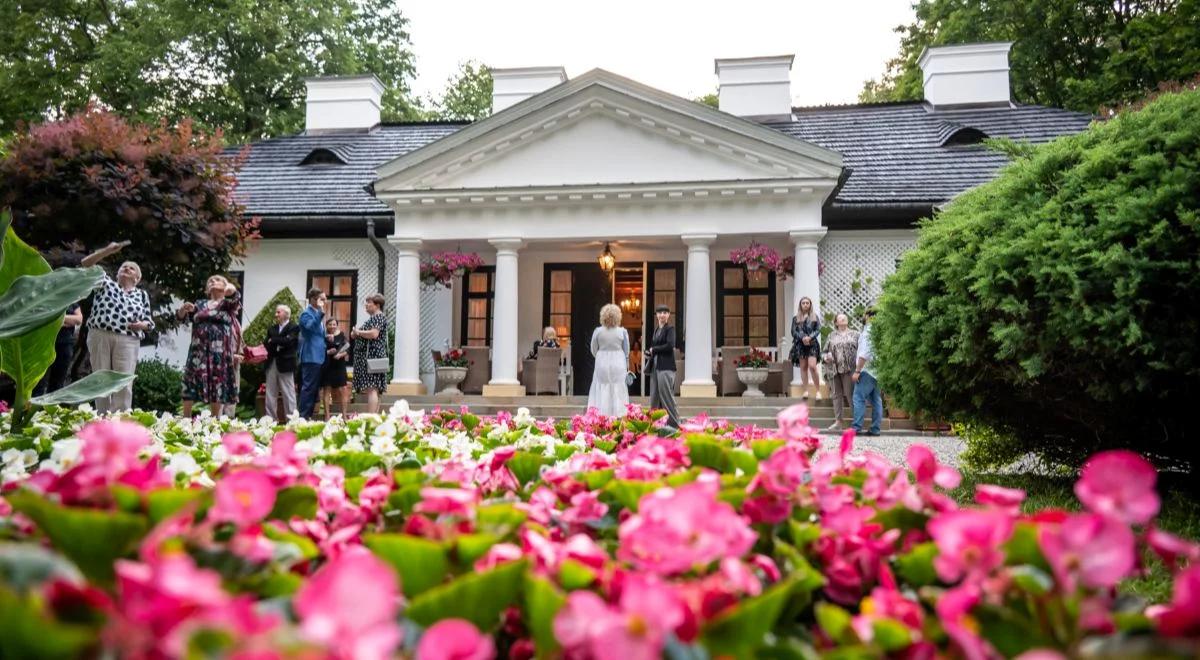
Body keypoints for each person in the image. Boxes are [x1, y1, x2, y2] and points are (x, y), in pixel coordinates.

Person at [81, 241, 153, 413]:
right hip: (100, 334)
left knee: (123, 382)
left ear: (137, 278)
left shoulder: (142, 295)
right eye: (123, 267)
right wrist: (106, 251)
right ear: (117, 273)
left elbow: (149, 322)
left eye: (131, 268)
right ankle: (102, 418)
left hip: (128, 339)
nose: (127, 268)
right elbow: (86, 264)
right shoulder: (106, 283)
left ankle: (120, 421)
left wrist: (142, 325)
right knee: (101, 379)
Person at [178, 275, 241, 417]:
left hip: (219, 352)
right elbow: (182, 318)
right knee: (190, 382)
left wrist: (227, 288)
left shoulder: (228, 304)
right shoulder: (200, 304)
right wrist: (183, 310)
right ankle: (185, 419)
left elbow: (234, 295)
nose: (212, 282)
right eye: (210, 281)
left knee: (217, 383)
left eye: (217, 280)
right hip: (197, 351)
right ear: (207, 289)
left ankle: (215, 421)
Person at [587, 304, 630, 417]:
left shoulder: (598, 331)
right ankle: (619, 414)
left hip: (602, 362)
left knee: (601, 387)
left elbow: (593, 349)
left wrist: (600, 355)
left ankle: (601, 415)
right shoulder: (622, 332)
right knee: (618, 387)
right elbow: (626, 351)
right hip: (618, 362)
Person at [33, 303, 83, 396]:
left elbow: (79, 319)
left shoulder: (72, 298)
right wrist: (68, 320)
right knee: (39, 383)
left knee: (58, 383)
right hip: (45, 344)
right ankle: (35, 409)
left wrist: (57, 319)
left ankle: (52, 408)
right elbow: (42, 318)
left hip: (65, 345)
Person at [644, 304, 681, 429]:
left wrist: (654, 349)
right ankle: (655, 425)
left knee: (667, 397)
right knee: (654, 396)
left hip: (666, 367)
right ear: (656, 315)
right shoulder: (656, 330)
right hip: (655, 367)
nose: (662, 315)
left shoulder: (670, 329)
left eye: (665, 312)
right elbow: (654, 348)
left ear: (668, 315)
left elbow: (670, 345)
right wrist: (648, 351)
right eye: (660, 313)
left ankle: (675, 424)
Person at [821, 313, 860, 431]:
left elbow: (861, 351)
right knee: (836, 395)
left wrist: (859, 369)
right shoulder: (831, 335)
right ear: (836, 322)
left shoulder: (856, 334)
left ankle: (856, 423)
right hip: (834, 370)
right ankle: (838, 422)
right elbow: (824, 352)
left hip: (850, 369)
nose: (843, 319)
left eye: (845, 317)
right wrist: (825, 357)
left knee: (851, 395)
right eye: (840, 318)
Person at [351, 293, 389, 415]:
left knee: (372, 388)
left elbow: (373, 334)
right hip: (373, 356)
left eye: (369, 303)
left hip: (373, 356)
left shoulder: (378, 317)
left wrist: (358, 332)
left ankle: (371, 417)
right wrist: (355, 333)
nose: (366, 305)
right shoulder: (374, 318)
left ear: (377, 305)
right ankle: (374, 416)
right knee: (373, 389)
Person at [264, 305, 299, 422]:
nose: (276, 315)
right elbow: (266, 344)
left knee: (289, 394)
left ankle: (292, 421)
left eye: (278, 312)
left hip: (286, 364)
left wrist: (274, 340)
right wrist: (280, 341)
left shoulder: (294, 327)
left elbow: (289, 342)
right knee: (270, 393)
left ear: (286, 313)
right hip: (272, 363)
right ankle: (270, 421)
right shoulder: (271, 329)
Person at [852, 308, 883, 437]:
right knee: (876, 400)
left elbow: (864, 354)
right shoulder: (879, 330)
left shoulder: (868, 332)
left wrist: (857, 371)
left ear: (868, 316)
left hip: (867, 370)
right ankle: (875, 429)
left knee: (858, 398)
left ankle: (856, 428)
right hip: (878, 370)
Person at [298, 288, 327, 418]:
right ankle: (303, 417)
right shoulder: (306, 314)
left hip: (319, 356)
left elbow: (317, 334)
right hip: (310, 356)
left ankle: (308, 416)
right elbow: (310, 327)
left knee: (314, 389)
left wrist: (327, 338)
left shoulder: (316, 314)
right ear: (313, 299)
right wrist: (320, 313)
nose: (324, 301)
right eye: (322, 299)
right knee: (308, 388)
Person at [789, 297, 822, 400]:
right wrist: (802, 338)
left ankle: (818, 391)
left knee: (812, 366)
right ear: (800, 305)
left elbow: (818, 329)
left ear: (810, 304)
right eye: (803, 303)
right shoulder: (796, 318)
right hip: (800, 344)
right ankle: (806, 390)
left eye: (807, 303)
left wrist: (810, 337)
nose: (805, 304)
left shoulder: (814, 317)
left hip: (812, 344)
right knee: (803, 367)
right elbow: (793, 332)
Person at [321, 318, 350, 419]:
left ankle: (344, 415)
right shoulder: (322, 336)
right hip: (327, 365)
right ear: (326, 325)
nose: (332, 326)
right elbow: (319, 350)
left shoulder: (342, 335)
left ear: (337, 325)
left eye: (334, 324)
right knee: (327, 389)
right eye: (330, 324)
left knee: (343, 389)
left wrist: (341, 354)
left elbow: (348, 348)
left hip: (339, 365)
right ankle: (327, 416)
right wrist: (327, 352)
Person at [223, 316, 245, 418]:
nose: (238, 306)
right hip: (223, 363)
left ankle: (229, 418)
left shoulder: (236, 321)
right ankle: (219, 420)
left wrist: (245, 354)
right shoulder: (222, 319)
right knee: (223, 391)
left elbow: (239, 341)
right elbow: (220, 343)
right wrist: (232, 356)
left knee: (234, 390)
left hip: (236, 364)